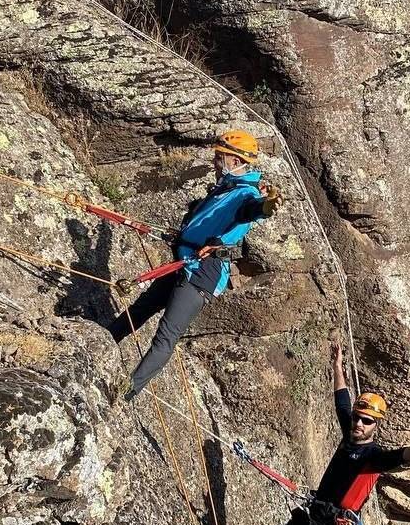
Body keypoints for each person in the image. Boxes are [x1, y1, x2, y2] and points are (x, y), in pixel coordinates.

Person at [239, 342, 410, 525]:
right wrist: (337, 366)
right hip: (314, 514)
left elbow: (396, 457)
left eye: (367, 421)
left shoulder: (372, 456)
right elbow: (342, 401)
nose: (359, 423)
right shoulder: (349, 435)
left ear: (376, 425)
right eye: (357, 417)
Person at [107, 130, 282, 401]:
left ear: (234, 161)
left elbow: (253, 209)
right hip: (186, 260)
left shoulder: (245, 193)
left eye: (219, 156)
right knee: (142, 308)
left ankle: (127, 391)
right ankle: (103, 341)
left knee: (166, 335)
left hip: (203, 272)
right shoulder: (226, 188)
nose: (215, 161)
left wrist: (267, 206)